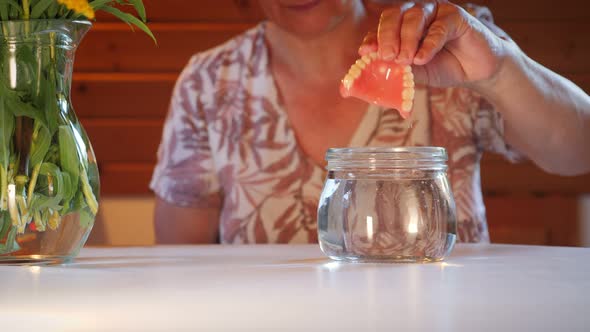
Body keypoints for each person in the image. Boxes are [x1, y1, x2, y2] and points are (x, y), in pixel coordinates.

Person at [150, 0, 590, 244]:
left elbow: (578, 151)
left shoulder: (450, 44)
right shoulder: (209, 81)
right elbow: (180, 257)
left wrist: (499, 71)